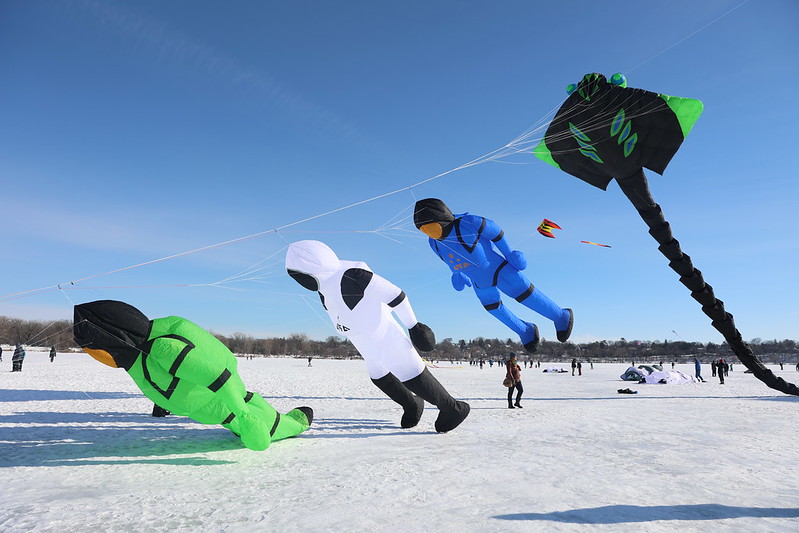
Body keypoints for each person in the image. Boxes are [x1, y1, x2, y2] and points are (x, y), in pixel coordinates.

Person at [73, 300, 312, 451]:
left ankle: (298, 422)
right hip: (229, 412)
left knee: (279, 426)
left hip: (241, 411)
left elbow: (219, 377)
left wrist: (244, 416)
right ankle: (291, 421)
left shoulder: (162, 350)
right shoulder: (147, 351)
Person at [286, 240, 469, 433]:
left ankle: (451, 408)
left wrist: (414, 327)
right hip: (362, 341)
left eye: (299, 276)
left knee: (410, 371)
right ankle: (412, 404)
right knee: (379, 376)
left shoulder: (353, 275)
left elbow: (396, 295)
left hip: (385, 335)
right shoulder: (323, 287)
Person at [413, 198, 573, 353]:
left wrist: (509, 253)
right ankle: (525, 331)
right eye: (423, 229)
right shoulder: (434, 243)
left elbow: (496, 233)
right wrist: (457, 274)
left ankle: (560, 316)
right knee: (494, 308)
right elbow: (449, 258)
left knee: (524, 294)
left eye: (430, 227)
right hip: (479, 280)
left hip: (498, 268)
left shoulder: (468, 223)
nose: (429, 232)